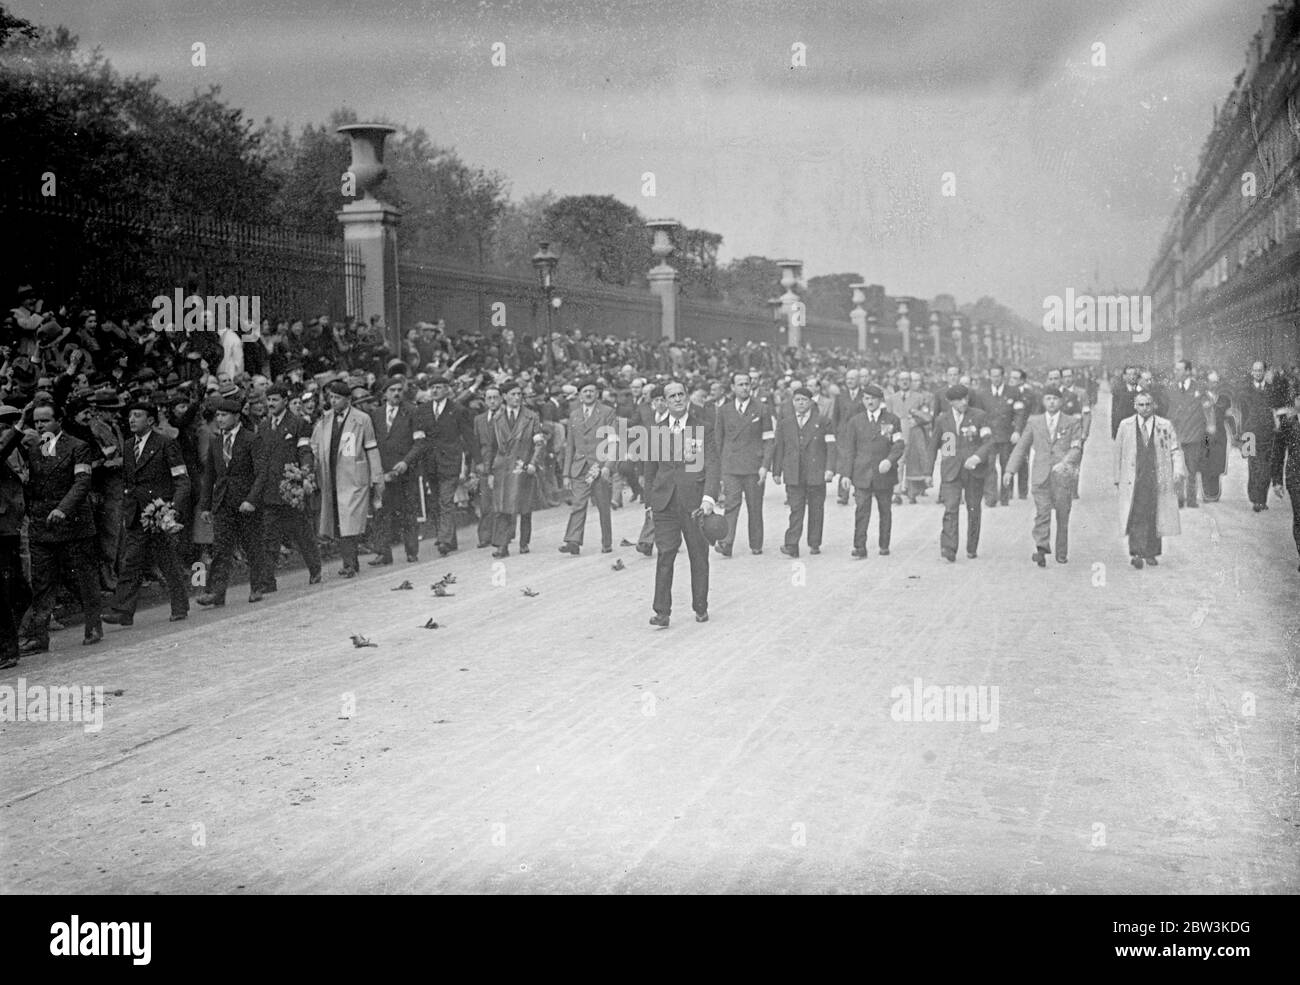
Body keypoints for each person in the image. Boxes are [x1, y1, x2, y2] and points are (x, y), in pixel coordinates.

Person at [15, 401, 102, 652]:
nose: (40, 425)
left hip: (73, 524)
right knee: (42, 583)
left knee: (82, 578)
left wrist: (63, 509)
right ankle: (39, 636)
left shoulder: (78, 447)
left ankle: (93, 625)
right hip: (42, 526)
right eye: (37, 421)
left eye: (45, 420)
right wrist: (20, 425)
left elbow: (82, 483)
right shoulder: (33, 449)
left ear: (59, 421)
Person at [102, 401, 191, 626]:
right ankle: (123, 610)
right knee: (131, 561)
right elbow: (129, 483)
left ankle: (180, 605)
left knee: (167, 561)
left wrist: (172, 510)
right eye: (130, 416)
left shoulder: (166, 443)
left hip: (159, 514)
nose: (131, 420)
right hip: (136, 515)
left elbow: (181, 480)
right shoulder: (129, 445)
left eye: (137, 415)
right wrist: (127, 512)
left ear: (150, 420)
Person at [645, 380, 721, 627]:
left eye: (681, 394)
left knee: (698, 555)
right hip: (664, 503)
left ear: (687, 398)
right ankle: (662, 612)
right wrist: (649, 502)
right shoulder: (656, 430)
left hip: (694, 504)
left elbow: (712, 464)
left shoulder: (702, 428)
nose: (677, 399)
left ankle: (700, 606)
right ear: (665, 402)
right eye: (672, 396)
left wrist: (708, 497)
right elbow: (650, 469)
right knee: (665, 553)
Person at [197, 398, 268, 607]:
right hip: (223, 502)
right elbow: (210, 475)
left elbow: (261, 473)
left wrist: (251, 500)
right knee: (221, 548)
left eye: (224, 415)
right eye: (217, 415)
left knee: (252, 545)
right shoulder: (216, 442)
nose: (219, 419)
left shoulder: (251, 439)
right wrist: (206, 506)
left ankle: (257, 586)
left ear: (236, 417)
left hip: (246, 503)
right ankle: (216, 593)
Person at [311, 380, 383, 578]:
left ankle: (349, 563)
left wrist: (376, 476)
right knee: (340, 520)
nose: (333, 401)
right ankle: (351, 562)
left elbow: (371, 448)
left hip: (353, 477)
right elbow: (315, 447)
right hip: (331, 477)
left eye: (337, 398)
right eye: (331, 397)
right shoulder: (325, 420)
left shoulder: (362, 419)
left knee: (349, 519)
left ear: (348, 400)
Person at [1005, 385, 1082, 566]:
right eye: (1048, 398)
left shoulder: (1071, 422)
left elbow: (1076, 447)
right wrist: (1010, 470)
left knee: (1063, 515)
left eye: (1055, 399)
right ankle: (1041, 548)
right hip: (1040, 475)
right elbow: (1022, 447)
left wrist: (1065, 462)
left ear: (1061, 401)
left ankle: (1061, 552)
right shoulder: (1034, 421)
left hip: (1062, 477)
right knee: (1042, 512)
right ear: (1043, 401)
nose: (1052, 402)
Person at [256, 383, 321, 588]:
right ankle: (267, 580)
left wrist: (305, 471)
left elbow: (304, 450)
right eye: (269, 400)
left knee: (302, 532)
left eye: (275, 399)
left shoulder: (298, 423)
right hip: (270, 490)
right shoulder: (264, 426)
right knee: (269, 536)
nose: (271, 403)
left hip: (291, 488)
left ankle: (315, 569)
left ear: (285, 401)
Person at [1115, 390, 1185, 569]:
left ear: (1153, 405)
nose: (1145, 408)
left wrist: (1177, 470)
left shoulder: (1164, 425)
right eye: (1141, 405)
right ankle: (1137, 553)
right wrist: (1117, 478)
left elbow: (1175, 450)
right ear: (1135, 406)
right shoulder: (1126, 425)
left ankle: (1152, 553)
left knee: (1155, 514)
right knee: (1136, 514)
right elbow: (1118, 453)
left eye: (1148, 404)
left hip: (1156, 477)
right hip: (1134, 478)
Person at [928, 384, 994, 562]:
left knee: (973, 510)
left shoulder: (979, 416)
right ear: (950, 402)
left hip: (974, 471)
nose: (963, 402)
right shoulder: (942, 420)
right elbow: (933, 446)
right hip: (950, 471)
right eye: (959, 400)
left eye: (965, 398)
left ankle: (972, 547)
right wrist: (928, 473)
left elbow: (988, 442)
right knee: (950, 509)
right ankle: (949, 550)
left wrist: (977, 457)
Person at [771, 385, 836, 558]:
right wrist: (776, 471)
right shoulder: (786, 423)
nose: (800, 403)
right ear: (793, 403)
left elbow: (831, 446)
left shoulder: (823, 421)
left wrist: (830, 469)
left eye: (804, 400)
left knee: (816, 509)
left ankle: (814, 542)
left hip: (816, 472)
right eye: (797, 400)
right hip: (794, 473)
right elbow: (779, 447)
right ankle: (792, 544)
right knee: (795, 509)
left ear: (810, 402)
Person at [841, 384, 905, 558]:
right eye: (866, 399)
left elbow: (899, 445)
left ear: (880, 400)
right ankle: (859, 547)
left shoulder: (892, 420)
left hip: (884, 474)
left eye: (873, 399)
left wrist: (889, 461)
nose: (870, 402)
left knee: (885, 510)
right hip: (861, 474)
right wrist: (846, 474)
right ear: (863, 400)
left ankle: (884, 544)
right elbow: (849, 450)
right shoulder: (855, 421)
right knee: (861, 510)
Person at [714, 372, 774, 556]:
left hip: (754, 467)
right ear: (732, 388)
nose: (744, 387)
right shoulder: (724, 410)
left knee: (755, 506)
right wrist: (719, 469)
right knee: (731, 504)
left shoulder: (762, 409)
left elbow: (769, 440)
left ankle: (756, 544)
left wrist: (765, 466)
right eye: (740, 384)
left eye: (747, 384)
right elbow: (718, 441)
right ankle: (726, 543)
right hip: (731, 466)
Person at [418, 373, 478, 556]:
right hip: (431, 464)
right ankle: (450, 540)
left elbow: (469, 437)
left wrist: (478, 461)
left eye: (438, 387)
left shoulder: (457, 410)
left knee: (445, 500)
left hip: (450, 462)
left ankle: (443, 540)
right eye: (432, 387)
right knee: (437, 502)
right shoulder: (424, 409)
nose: (434, 391)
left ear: (447, 389)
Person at [369, 377, 426, 565]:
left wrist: (406, 462)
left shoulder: (412, 411)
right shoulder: (376, 415)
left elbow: (419, 443)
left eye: (399, 390)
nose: (396, 393)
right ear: (384, 393)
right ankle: (383, 552)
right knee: (382, 512)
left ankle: (411, 551)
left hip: (405, 472)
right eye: (392, 390)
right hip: (384, 472)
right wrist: (378, 470)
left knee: (408, 511)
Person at [486, 380, 545, 558]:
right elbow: (491, 446)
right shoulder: (496, 419)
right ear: (504, 397)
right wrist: (489, 471)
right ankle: (502, 546)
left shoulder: (531, 417)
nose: (517, 397)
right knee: (503, 507)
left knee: (524, 506)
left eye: (519, 394)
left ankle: (524, 542)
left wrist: (533, 463)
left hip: (523, 465)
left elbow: (539, 443)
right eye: (513, 394)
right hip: (503, 467)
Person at [559, 377, 615, 555]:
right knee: (578, 504)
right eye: (585, 391)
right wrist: (566, 474)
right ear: (580, 396)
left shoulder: (607, 412)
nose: (589, 394)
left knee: (603, 506)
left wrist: (607, 466)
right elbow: (570, 446)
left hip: (598, 467)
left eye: (592, 391)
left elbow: (614, 442)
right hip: (579, 468)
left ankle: (607, 542)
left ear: (597, 394)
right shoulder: (574, 415)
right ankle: (573, 541)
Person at [0, 404, 32, 668]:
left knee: (15, 588)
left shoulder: (14, 449)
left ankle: (9, 647)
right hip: (5, 528)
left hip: (7, 527)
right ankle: (8, 647)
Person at [979, 365, 1026, 508]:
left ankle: (1005, 497)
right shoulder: (983, 394)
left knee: (1006, 466)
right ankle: (991, 497)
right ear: (989, 377)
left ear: (1003, 376)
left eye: (998, 376)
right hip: (990, 436)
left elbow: (1019, 413)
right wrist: (983, 428)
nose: (995, 379)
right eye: (993, 376)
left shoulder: (1013, 392)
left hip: (1007, 436)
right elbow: (979, 414)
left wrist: (1017, 431)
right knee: (989, 466)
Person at [1237, 361, 1280, 512]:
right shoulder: (1245, 391)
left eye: (1260, 370)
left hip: (1268, 434)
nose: (1258, 373)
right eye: (1255, 370)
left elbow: (1275, 411)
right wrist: (1242, 436)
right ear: (1251, 372)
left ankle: (1261, 499)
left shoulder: (1271, 390)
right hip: (1250, 434)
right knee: (1254, 466)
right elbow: (1242, 415)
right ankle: (1255, 498)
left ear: (1264, 371)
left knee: (1266, 468)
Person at [1166, 360, 1207, 508]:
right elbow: (1168, 411)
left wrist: (1206, 432)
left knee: (1192, 468)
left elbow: (1208, 410)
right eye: (1175, 369)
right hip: (1176, 435)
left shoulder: (1200, 388)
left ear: (1188, 371)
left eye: (1179, 370)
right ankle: (1179, 498)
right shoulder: (1170, 389)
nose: (1175, 372)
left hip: (1194, 435)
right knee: (1177, 468)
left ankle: (1191, 499)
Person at [1273, 390, 1300, 571]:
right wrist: (1277, 480)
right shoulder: (1288, 423)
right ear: (1296, 401)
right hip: (1296, 477)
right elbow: (1278, 453)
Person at [473, 386, 501, 548]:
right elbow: (475, 444)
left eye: (495, 397)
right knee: (485, 503)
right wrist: (475, 466)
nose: (492, 401)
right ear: (484, 401)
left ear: (501, 399)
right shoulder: (479, 420)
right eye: (489, 398)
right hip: (484, 464)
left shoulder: (505, 417)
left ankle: (502, 535)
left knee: (501, 502)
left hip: (501, 464)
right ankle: (485, 536)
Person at [1200, 371, 1231, 503]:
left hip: (1220, 435)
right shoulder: (1200, 398)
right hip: (1206, 436)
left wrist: (1236, 434)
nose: (1214, 384)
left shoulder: (1224, 398)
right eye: (1212, 381)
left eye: (1216, 381)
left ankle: (1214, 491)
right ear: (1206, 382)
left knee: (1218, 461)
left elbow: (1229, 417)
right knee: (1206, 459)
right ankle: (1206, 491)